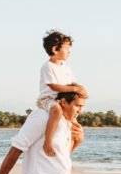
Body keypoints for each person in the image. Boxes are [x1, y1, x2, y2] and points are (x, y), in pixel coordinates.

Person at [37, 30, 87, 158]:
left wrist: (79, 88)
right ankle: (47, 142)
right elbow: (53, 86)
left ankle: (68, 151)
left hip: (61, 99)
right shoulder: (48, 66)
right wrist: (73, 90)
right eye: (67, 48)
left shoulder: (66, 67)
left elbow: (72, 82)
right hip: (47, 99)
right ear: (55, 49)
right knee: (57, 112)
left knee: (74, 121)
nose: (69, 52)